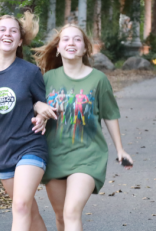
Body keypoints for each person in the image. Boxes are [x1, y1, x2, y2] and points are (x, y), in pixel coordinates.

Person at [33, 24, 133, 231]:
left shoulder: (98, 79)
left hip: (88, 156)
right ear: (58, 48)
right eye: (66, 39)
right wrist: (40, 112)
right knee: (61, 217)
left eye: (77, 39)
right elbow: (35, 107)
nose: (71, 43)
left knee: (71, 212)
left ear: (86, 48)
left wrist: (120, 149)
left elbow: (110, 115)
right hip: (54, 155)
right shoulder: (47, 79)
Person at [0, 12, 56, 231]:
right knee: (28, 209)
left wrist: (42, 112)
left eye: (13, 30)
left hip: (30, 145)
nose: (8, 34)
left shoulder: (30, 71)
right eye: (2, 30)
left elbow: (40, 103)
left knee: (21, 205)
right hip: (1, 150)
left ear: (20, 40)